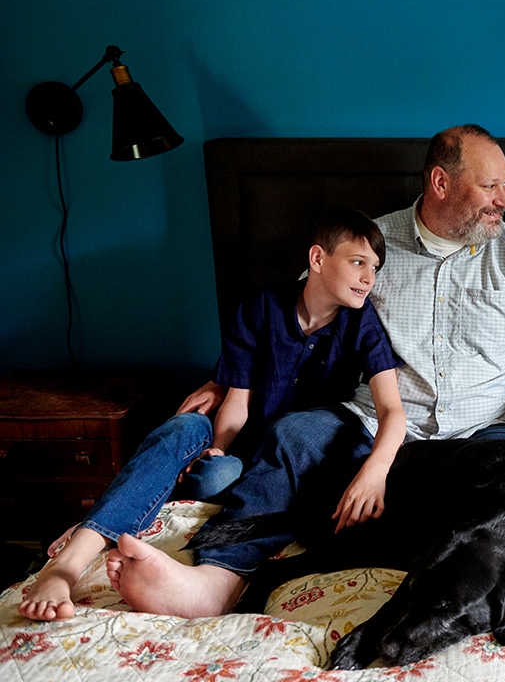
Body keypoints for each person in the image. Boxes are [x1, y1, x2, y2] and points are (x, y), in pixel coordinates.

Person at [104, 124, 505, 619]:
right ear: (441, 182)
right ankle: (218, 578)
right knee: (292, 437)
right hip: (372, 427)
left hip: (480, 440)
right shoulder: (369, 248)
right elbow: (294, 323)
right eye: (491, 186)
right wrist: (229, 376)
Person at [19, 207, 407, 622]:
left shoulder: (362, 323)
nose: (370, 277)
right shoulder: (263, 306)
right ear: (317, 259)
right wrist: (219, 447)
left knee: (261, 452)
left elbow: (392, 410)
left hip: (298, 453)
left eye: (375, 267)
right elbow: (237, 398)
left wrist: (375, 470)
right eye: (358, 262)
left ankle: (212, 569)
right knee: (186, 430)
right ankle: (70, 561)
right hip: (247, 444)